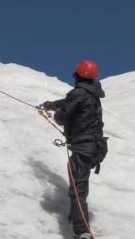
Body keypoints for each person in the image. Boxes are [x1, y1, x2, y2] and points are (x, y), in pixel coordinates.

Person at [40, 60, 108, 239]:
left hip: (83, 147)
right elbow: (70, 102)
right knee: (79, 185)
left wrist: (55, 112)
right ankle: (75, 220)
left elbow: (64, 116)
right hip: (94, 148)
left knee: (77, 189)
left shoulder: (78, 94)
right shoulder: (91, 95)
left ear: (77, 76)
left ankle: (83, 231)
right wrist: (52, 104)